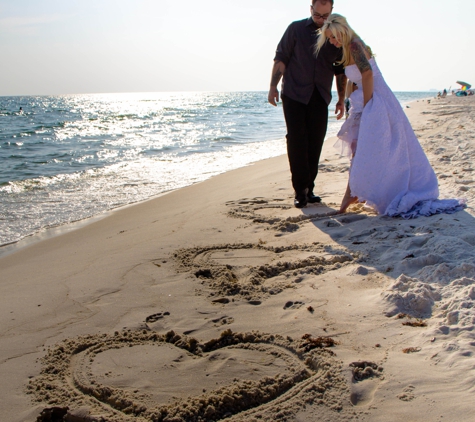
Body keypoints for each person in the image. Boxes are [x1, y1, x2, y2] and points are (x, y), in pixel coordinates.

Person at [316, 14, 465, 218]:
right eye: (330, 38)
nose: (332, 41)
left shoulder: (354, 46)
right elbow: (357, 77)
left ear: (342, 31)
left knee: (366, 148)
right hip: (366, 99)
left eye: (333, 37)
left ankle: (352, 194)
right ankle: (354, 193)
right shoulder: (349, 47)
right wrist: (351, 99)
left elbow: (367, 74)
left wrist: (368, 105)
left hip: (376, 100)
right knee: (361, 147)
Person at [268, 0, 347, 208]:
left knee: (315, 141)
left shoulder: (335, 35)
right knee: (296, 140)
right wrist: (272, 87)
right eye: (317, 15)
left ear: (331, 12)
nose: (321, 21)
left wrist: (340, 99)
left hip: (319, 96)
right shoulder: (295, 29)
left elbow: (340, 71)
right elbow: (281, 59)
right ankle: (299, 190)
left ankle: (309, 188)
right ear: (310, 9)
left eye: (325, 16)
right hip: (294, 94)